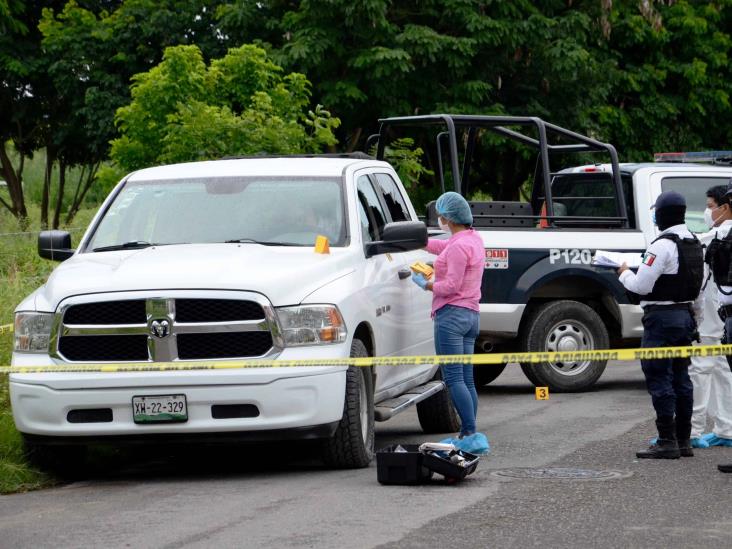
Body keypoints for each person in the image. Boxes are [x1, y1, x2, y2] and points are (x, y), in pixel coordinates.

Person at [617, 190, 704, 459]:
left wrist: (623, 275)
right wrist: (694, 319)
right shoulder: (694, 242)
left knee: (659, 377)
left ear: (663, 214)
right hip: (685, 317)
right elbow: (698, 288)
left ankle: (666, 441)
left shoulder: (660, 245)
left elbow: (642, 285)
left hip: (661, 320)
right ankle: (684, 440)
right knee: (682, 379)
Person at [411, 191, 489, 455]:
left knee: (453, 378)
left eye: (441, 217)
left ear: (447, 218)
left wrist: (426, 283)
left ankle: (469, 433)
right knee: (466, 379)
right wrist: (421, 243)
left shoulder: (458, 246)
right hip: (470, 316)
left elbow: (451, 286)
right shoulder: (473, 239)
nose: (440, 220)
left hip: (451, 316)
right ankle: (470, 433)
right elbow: (444, 247)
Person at [690, 186, 732, 456]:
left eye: (711, 205)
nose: (708, 211)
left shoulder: (718, 234)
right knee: (720, 368)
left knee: (701, 367)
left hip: (712, 310)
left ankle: (692, 431)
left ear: (724, 207)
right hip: (722, 313)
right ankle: (726, 429)